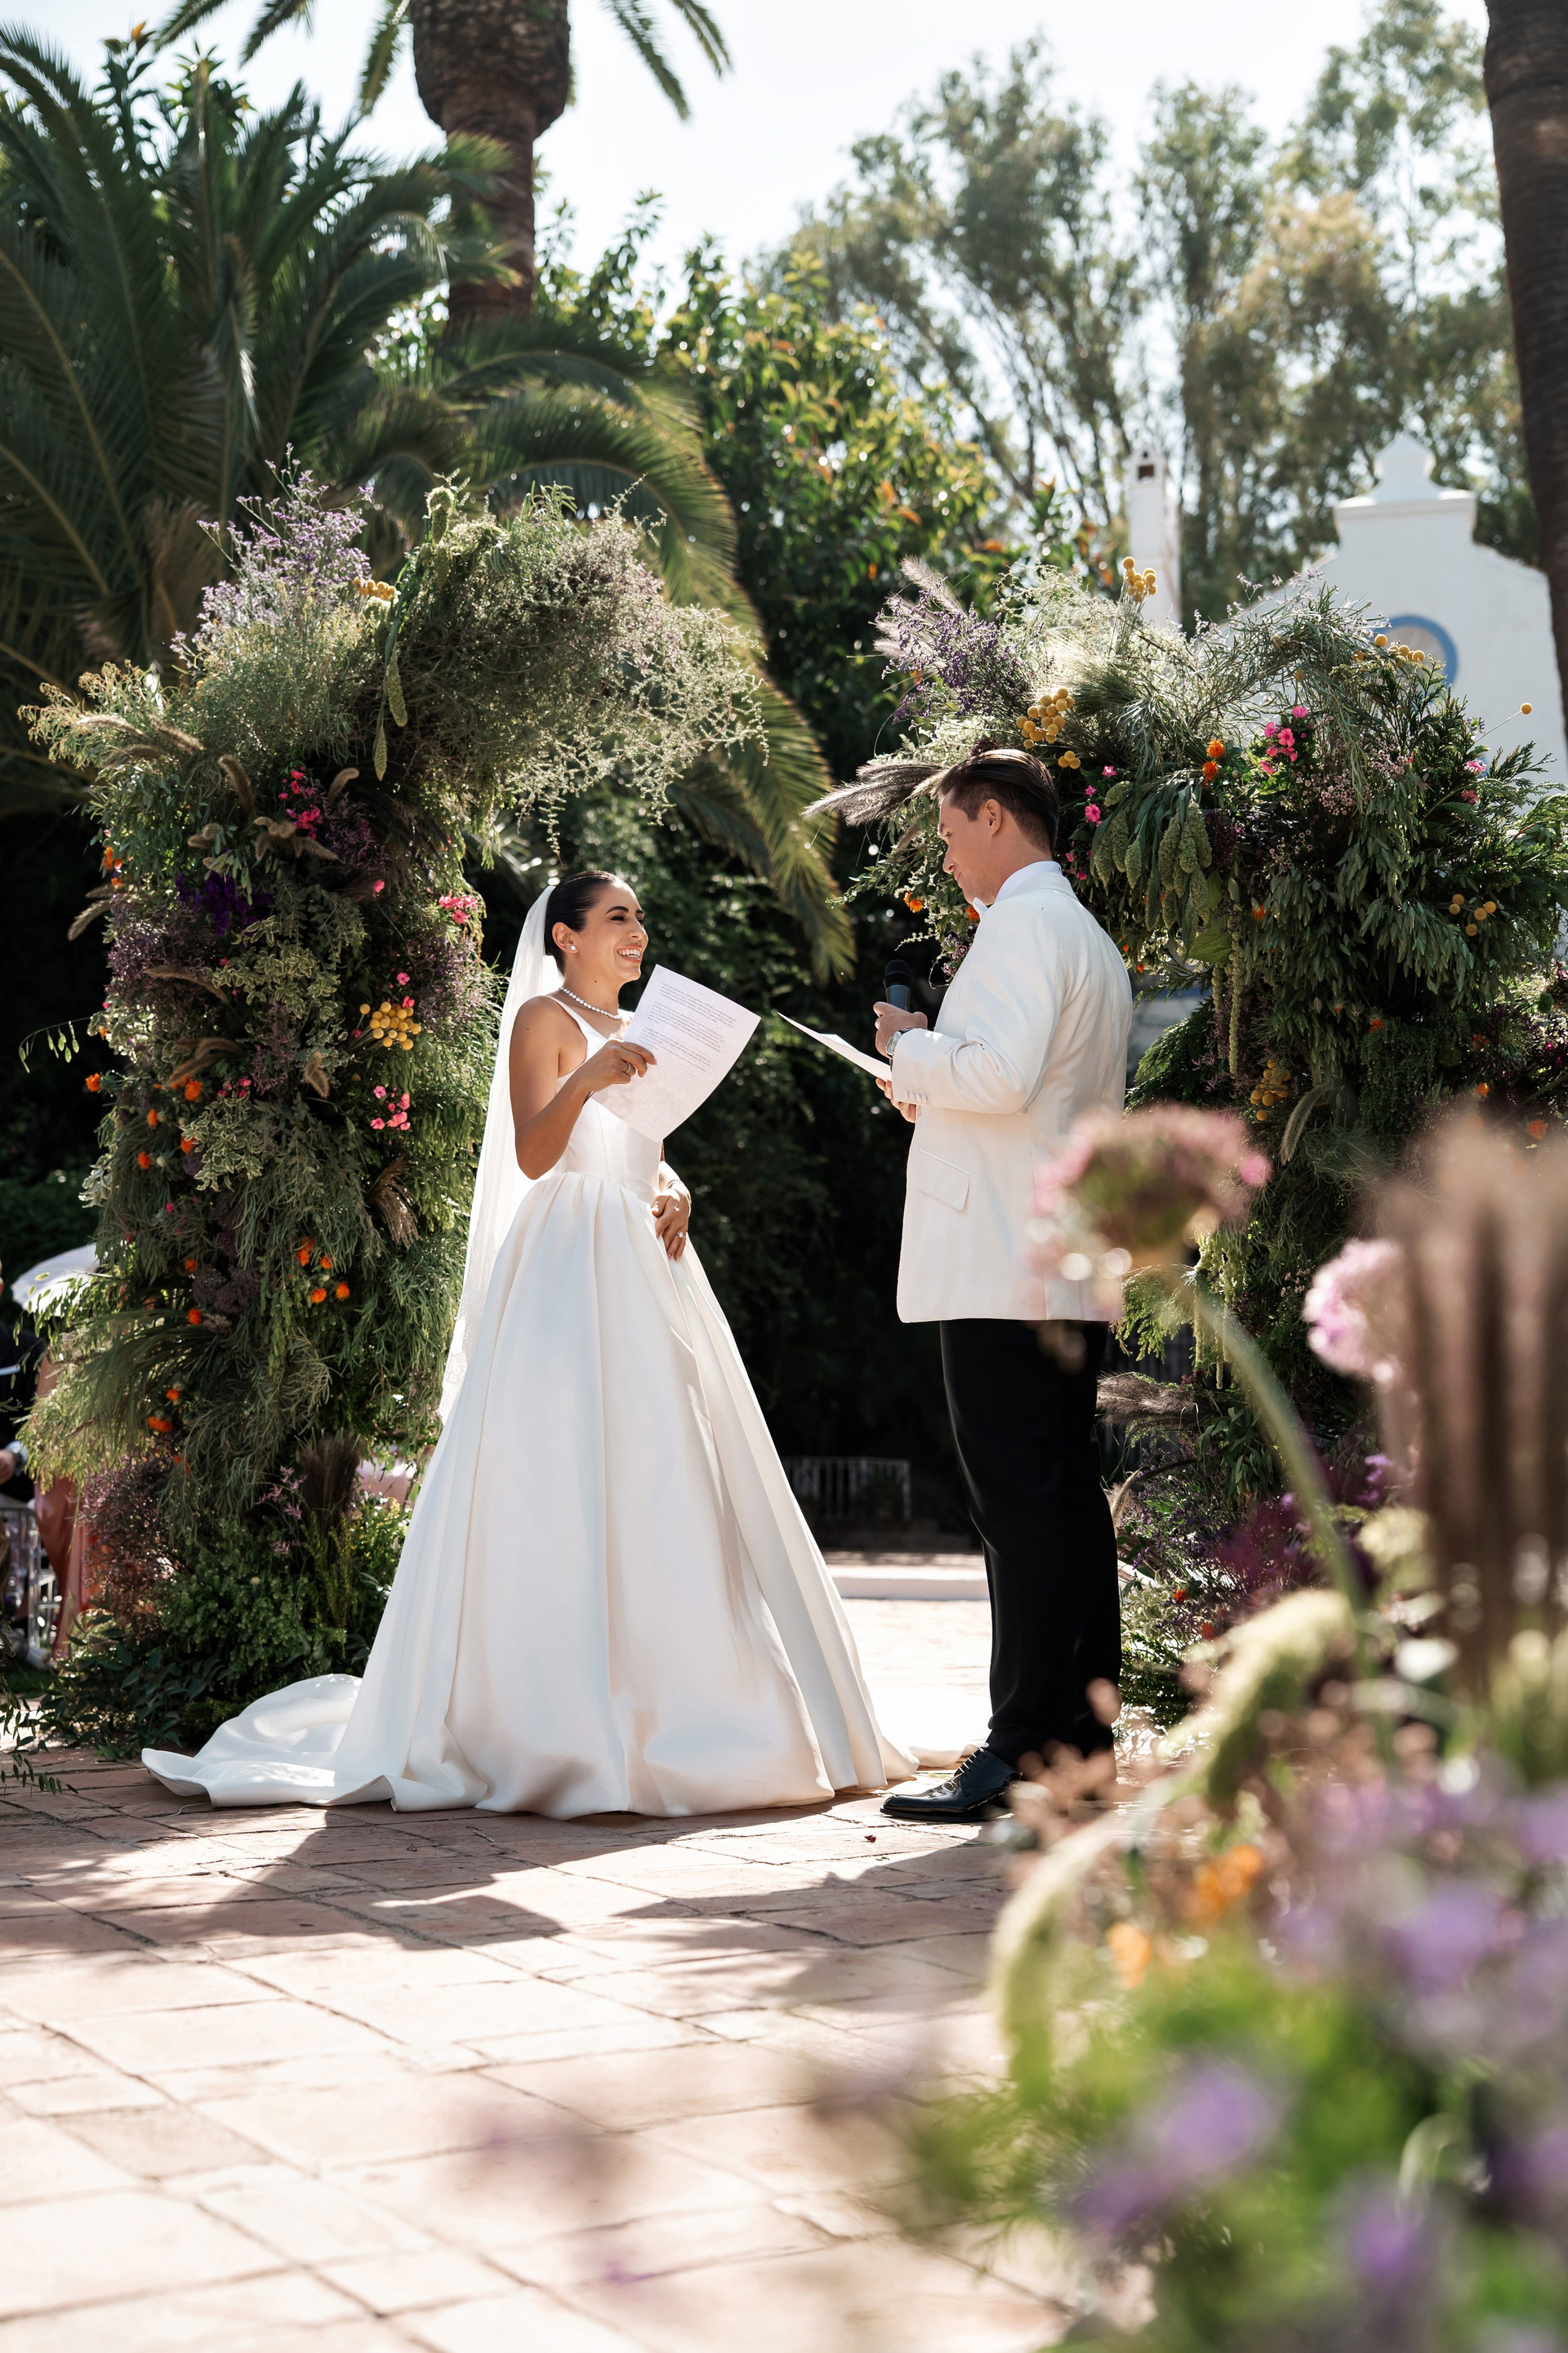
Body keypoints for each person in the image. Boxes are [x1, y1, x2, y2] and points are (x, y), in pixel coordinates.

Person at [144, 873, 911, 1814]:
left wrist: (674, 1186)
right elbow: (536, 1153)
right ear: (566, 937)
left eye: (640, 917)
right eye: (619, 917)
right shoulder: (546, 1019)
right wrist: (588, 1074)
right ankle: (555, 1718)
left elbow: (639, 1141)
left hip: (646, 1254)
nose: (637, 931)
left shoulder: (646, 1028)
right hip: (569, 1256)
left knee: (669, 1463)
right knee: (561, 1462)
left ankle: (689, 1703)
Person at [871, 747, 1132, 1822]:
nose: (944, 855)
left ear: (992, 818)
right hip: (1056, 1256)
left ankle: (1019, 1743)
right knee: (1063, 1500)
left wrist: (912, 1048)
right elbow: (1029, 1096)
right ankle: (1081, 1738)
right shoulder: (1084, 934)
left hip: (1000, 1263)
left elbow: (999, 1074)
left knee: (1021, 1507)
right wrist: (926, 1081)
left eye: (948, 832)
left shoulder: (1024, 926)